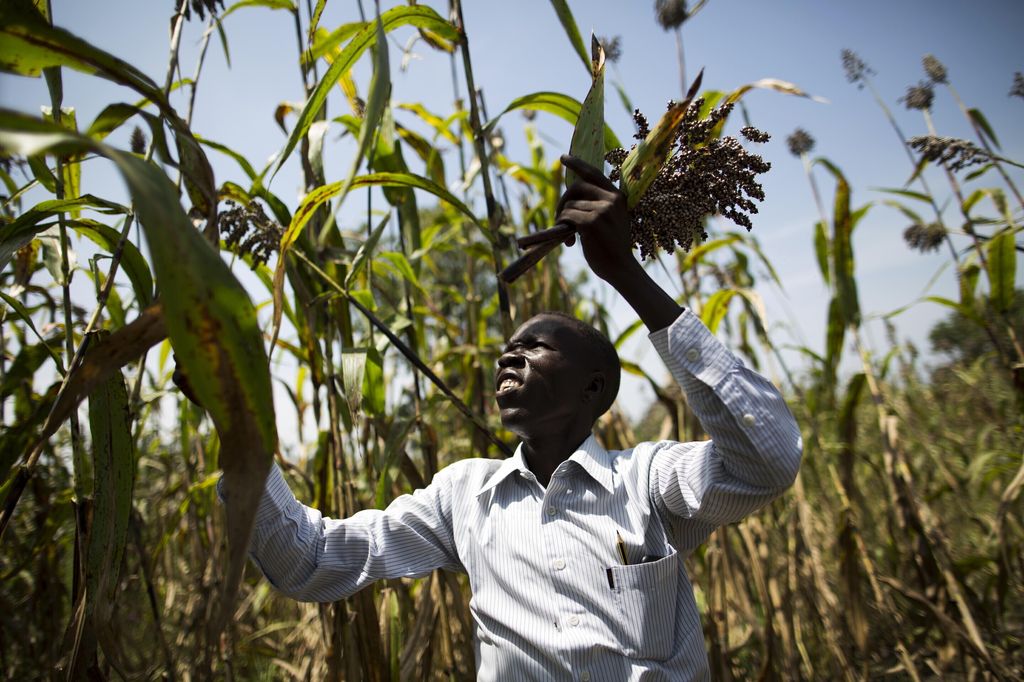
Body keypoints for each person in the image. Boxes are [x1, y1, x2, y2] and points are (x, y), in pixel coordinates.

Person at [211, 155, 802, 680]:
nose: (507, 357)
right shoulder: (463, 496)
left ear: (593, 388)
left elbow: (767, 460)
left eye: (535, 347)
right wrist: (236, 423)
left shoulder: (646, 481)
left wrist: (626, 273)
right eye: (505, 351)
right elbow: (307, 563)